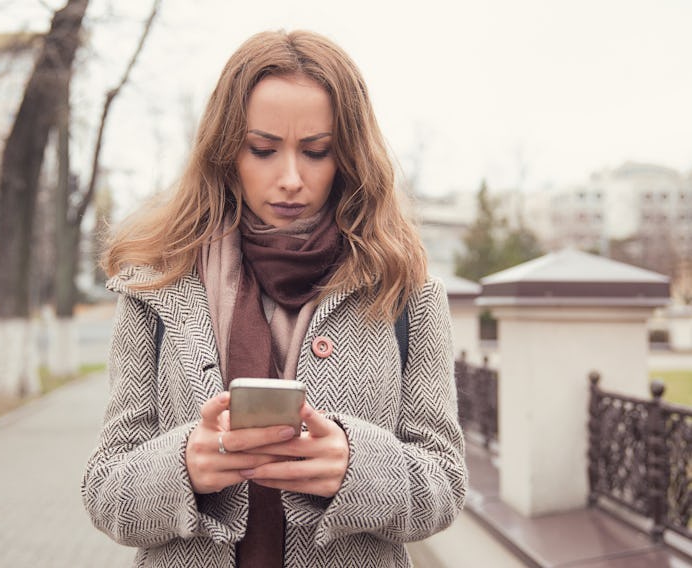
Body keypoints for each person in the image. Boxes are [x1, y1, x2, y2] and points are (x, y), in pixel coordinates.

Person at [82, 29, 467, 568]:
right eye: (262, 149)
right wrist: (183, 465)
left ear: (349, 155)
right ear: (226, 152)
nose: (291, 179)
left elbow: (445, 487)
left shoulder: (406, 287)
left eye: (317, 151)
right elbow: (105, 494)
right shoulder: (159, 283)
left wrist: (358, 466)